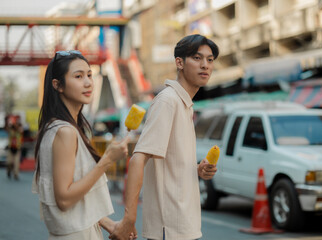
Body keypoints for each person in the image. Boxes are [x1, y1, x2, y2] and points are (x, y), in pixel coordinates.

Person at [110, 34, 219, 240]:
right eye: (197, 58)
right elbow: (138, 159)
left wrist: (198, 169)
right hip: (169, 230)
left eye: (210, 59)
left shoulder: (183, 104)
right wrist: (128, 219)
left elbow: (169, 166)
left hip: (183, 226)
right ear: (179, 62)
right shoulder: (168, 102)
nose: (205, 65)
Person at [31, 50, 133, 240]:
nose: (88, 82)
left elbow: (77, 198)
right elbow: (64, 199)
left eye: (89, 75)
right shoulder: (65, 132)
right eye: (78, 76)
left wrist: (108, 224)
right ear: (58, 85)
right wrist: (107, 160)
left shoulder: (57, 127)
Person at [6, 116, 23, 180]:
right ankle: (9, 170)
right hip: (10, 149)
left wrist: (18, 126)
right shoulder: (10, 130)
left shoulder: (19, 130)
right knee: (9, 162)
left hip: (17, 149)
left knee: (16, 163)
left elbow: (21, 130)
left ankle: (16, 174)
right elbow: (7, 128)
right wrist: (9, 122)